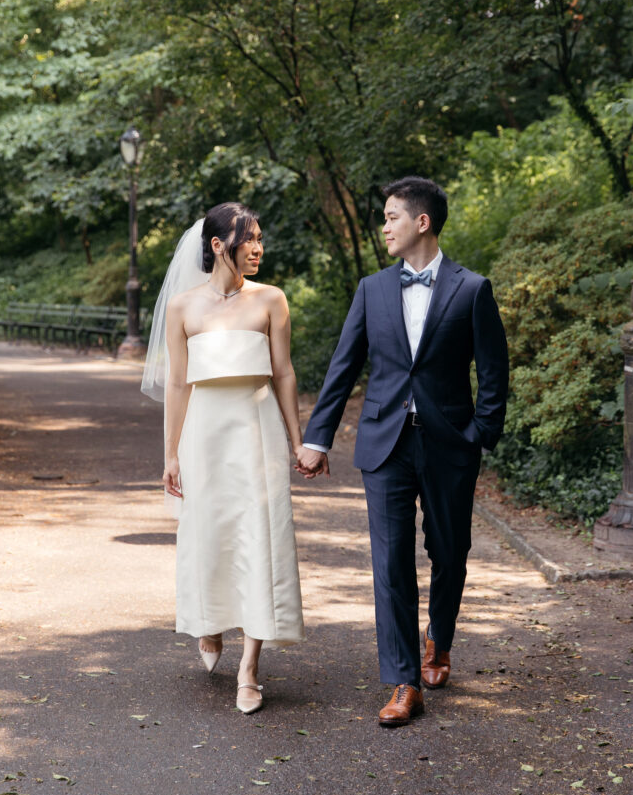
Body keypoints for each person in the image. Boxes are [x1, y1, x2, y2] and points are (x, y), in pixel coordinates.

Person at [300, 176, 509, 727]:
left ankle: (439, 636)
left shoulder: (472, 289)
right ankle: (403, 681)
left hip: (449, 445)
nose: (384, 226)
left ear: (422, 222)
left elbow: (494, 374)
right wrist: (317, 437)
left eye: (392, 216)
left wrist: (479, 435)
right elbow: (343, 367)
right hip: (384, 443)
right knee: (390, 564)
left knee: (449, 551)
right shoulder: (371, 289)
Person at [141, 203, 307, 715]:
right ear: (218, 246)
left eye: (260, 238)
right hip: (203, 436)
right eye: (248, 239)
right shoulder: (183, 307)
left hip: (256, 433)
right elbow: (175, 382)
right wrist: (170, 454)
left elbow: (283, 373)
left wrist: (298, 441)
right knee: (209, 534)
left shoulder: (271, 301)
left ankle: (251, 667)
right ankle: (209, 622)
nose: (258, 248)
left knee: (261, 536)